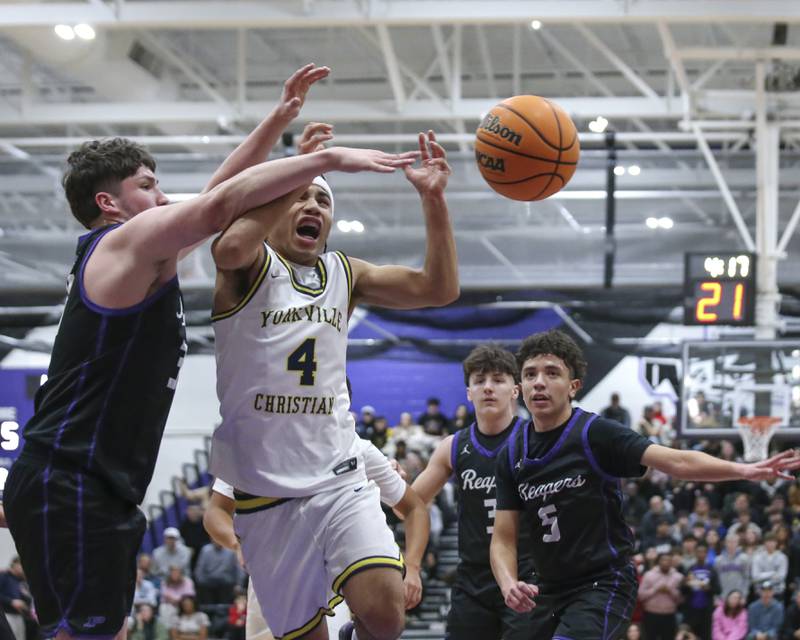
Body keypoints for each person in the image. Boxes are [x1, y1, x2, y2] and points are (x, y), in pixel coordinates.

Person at [2, 63, 416, 640]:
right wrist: (322, 162)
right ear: (109, 202)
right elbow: (220, 207)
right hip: (72, 480)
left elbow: (216, 193)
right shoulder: (121, 243)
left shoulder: (142, 254)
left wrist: (276, 123)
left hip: (100, 482)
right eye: (147, 185)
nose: (163, 194)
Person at [208, 111, 456, 640]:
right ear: (271, 209)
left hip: (337, 475)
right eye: (300, 197)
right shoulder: (247, 270)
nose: (312, 206)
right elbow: (228, 245)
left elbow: (438, 288)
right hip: (264, 494)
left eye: (323, 200)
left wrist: (433, 200)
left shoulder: (344, 273)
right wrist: (300, 169)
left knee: (386, 614)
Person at [490, 329, 800, 639]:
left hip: (602, 583)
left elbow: (678, 462)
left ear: (573, 386)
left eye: (551, 373)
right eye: (530, 374)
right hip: (544, 589)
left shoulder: (595, 434)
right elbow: (503, 537)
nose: (539, 382)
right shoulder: (512, 452)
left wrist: (744, 470)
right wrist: (507, 583)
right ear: (521, 386)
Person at [203, 436, 430, 640]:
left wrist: (413, 567)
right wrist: (237, 543)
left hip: (331, 574)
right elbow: (215, 512)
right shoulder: (257, 446)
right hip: (272, 567)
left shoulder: (356, 448)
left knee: (383, 622)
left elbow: (412, 508)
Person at [410, 344, 536, 640]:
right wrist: (392, 481)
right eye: (479, 381)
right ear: (469, 392)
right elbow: (410, 504)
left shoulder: (535, 440)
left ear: (515, 390)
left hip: (527, 574)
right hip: (473, 579)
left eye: (498, 380)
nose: (488, 388)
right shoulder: (453, 446)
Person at [638, 553, 683, 640]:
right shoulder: (649, 575)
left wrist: (670, 591)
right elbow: (640, 595)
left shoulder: (678, 577)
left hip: (669, 616)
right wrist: (656, 589)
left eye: (668, 560)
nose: (666, 562)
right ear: (658, 561)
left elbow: (681, 599)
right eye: (663, 560)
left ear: (672, 562)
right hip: (651, 615)